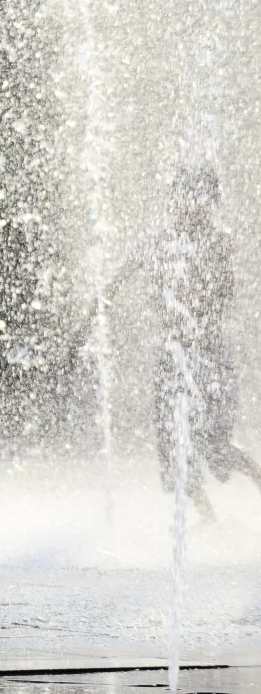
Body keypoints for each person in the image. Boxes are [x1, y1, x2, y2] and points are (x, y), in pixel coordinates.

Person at [93, 163, 261, 521]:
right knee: (172, 446)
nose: (189, 207)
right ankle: (207, 517)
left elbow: (224, 297)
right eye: (182, 198)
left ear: (209, 203)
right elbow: (113, 285)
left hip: (211, 357)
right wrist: (83, 330)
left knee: (215, 448)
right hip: (173, 356)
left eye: (199, 200)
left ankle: (255, 479)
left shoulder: (219, 241)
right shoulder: (157, 241)